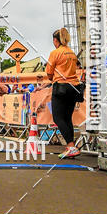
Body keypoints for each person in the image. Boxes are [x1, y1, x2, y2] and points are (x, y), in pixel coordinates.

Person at [45, 28, 81, 159]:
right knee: (67, 118)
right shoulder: (72, 53)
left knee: (58, 118)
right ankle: (70, 147)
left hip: (60, 87)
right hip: (74, 87)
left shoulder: (55, 53)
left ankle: (71, 146)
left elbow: (49, 72)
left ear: (56, 40)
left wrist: (52, 77)